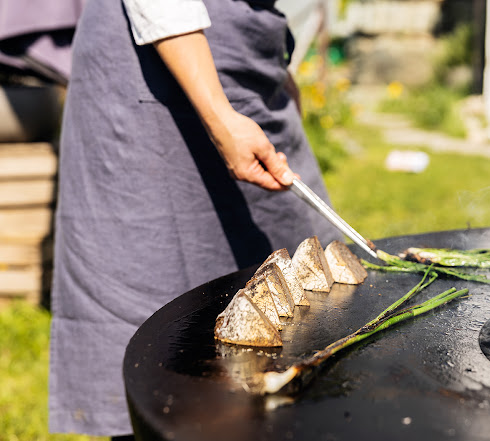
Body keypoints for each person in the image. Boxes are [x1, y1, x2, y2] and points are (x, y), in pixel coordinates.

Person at [48, 0, 342, 437]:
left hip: (247, 51)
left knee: (311, 282)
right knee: (151, 294)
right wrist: (220, 115)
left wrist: (279, 70)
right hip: (151, 55)